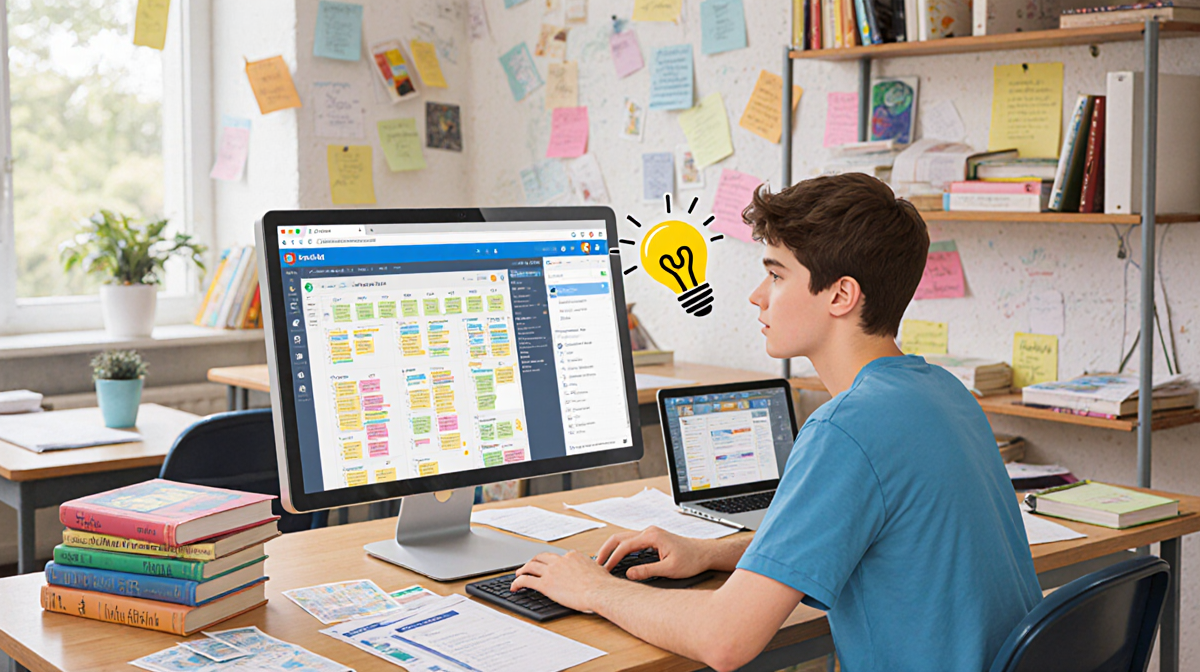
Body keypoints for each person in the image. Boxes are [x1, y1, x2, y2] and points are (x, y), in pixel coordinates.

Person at [512, 173, 1042, 672]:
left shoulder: (846, 429)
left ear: (841, 295)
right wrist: (713, 553)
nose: (756, 295)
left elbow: (725, 640)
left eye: (775, 274)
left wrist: (592, 588)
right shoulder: (943, 392)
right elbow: (858, 535)